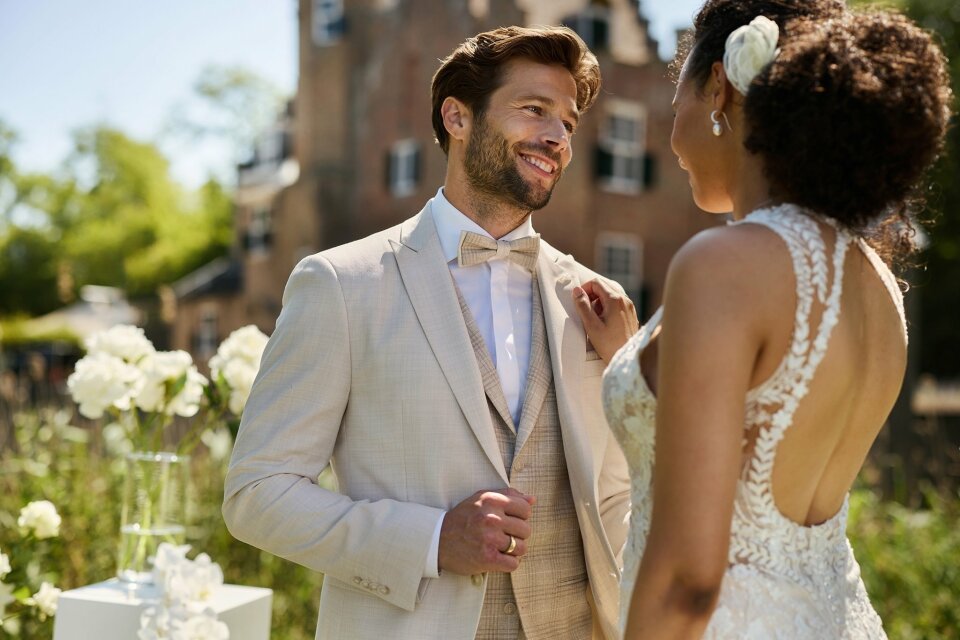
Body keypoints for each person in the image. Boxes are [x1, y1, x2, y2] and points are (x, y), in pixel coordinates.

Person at [223, 26, 635, 640]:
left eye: (569, 123)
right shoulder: (342, 284)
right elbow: (257, 494)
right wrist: (433, 539)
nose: (556, 136)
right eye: (534, 110)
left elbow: (616, 497)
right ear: (457, 117)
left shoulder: (595, 303)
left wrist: (629, 365)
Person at [575, 0, 953, 638]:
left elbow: (690, 578)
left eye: (678, 103)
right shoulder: (876, 280)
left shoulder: (724, 265)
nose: (673, 137)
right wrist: (635, 357)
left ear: (718, 88)